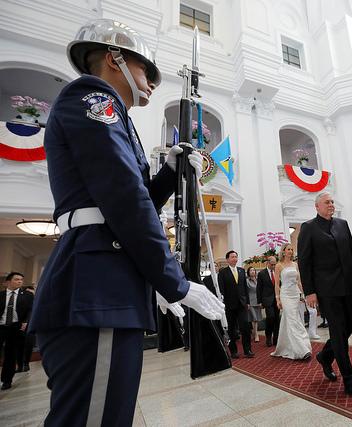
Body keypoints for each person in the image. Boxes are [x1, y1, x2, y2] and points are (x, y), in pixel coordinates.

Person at [28, 19, 225, 425]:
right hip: (98, 287)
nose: (152, 82)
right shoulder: (91, 98)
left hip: (108, 285)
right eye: (145, 70)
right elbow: (123, 198)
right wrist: (173, 280)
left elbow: (134, 200)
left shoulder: (118, 114)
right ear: (114, 59)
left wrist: (170, 172)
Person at [298, 192, 352, 399]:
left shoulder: (343, 224)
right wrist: (310, 291)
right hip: (326, 289)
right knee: (339, 332)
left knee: (348, 325)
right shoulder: (308, 228)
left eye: (332, 202)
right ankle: (351, 380)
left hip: (347, 285)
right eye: (327, 202)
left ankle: (325, 356)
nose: (331, 205)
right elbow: (304, 262)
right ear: (317, 207)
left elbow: (351, 253)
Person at [271, 244, 312, 360]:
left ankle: (286, 346)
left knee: (292, 319)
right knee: (293, 320)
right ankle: (302, 350)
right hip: (285, 295)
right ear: (283, 252)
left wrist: (304, 294)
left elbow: (299, 281)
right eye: (288, 249)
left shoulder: (295, 264)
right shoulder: (279, 265)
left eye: (291, 249)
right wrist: (277, 299)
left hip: (295, 294)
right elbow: (277, 284)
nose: (290, 251)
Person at [1, 272, 33, 390]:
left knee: (10, 354)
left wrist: (25, 321)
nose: (20, 281)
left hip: (15, 327)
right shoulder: (1, 295)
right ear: (8, 282)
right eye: (17, 279)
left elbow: (30, 310)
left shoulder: (27, 296)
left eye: (21, 280)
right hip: (1, 326)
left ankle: (6, 380)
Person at [218, 250, 254, 358]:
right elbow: (221, 289)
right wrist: (223, 304)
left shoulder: (242, 271)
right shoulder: (223, 273)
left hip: (242, 304)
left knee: (245, 327)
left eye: (236, 257)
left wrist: (247, 302)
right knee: (232, 329)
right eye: (232, 257)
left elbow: (245, 288)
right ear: (228, 259)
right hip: (229, 305)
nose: (235, 259)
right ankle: (233, 351)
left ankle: (248, 350)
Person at [257, 256, 279, 346]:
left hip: (277, 299)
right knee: (271, 317)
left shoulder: (277, 272)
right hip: (267, 299)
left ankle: (276, 338)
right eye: (272, 264)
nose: (273, 266)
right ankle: (268, 336)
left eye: (275, 264)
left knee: (277, 319)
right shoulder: (262, 273)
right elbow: (259, 288)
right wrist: (260, 301)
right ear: (267, 263)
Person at [15, 285, 37, 372]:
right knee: (19, 346)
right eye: (28, 293)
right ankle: (19, 365)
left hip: (31, 327)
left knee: (28, 346)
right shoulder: (20, 301)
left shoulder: (36, 302)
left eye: (32, 293)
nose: (30, 295)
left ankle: (26, 363)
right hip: (20, 326)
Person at [246, 267, 263, 343]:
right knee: (254, 318)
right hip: (251, 301)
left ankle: (254, 333)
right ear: (248, 272)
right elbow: (246, 292)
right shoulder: (246, 281)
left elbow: (261, 290)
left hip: (258, 301)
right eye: (251, 270)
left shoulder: (258, 280)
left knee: (256, 318)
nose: (252, 272)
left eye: (253, 270)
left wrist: (261, 301)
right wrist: (247, 302)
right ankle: (256, 334)